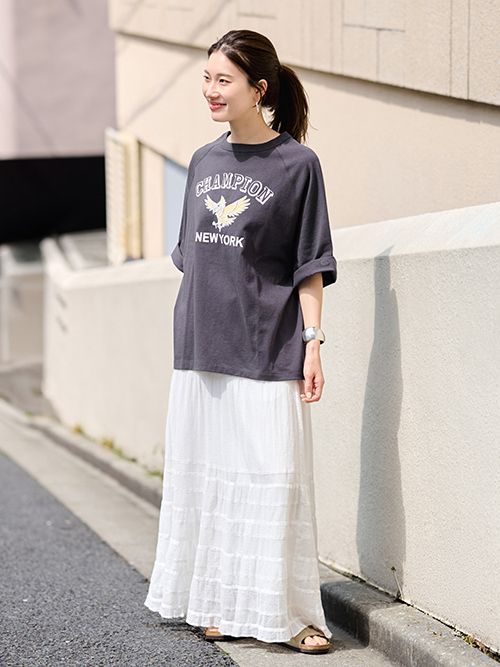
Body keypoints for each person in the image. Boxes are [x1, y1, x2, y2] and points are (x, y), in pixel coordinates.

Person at [144, 29, 337, 656]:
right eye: (206, 79)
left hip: (268, 345)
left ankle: (294, 616)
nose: (210, 90)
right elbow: (192, 257)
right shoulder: (202, 161)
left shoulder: (297, 165)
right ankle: (219, 604)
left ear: (259, 89)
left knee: (274, 483)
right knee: (213, 482)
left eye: (223, 80)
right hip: (201, 346)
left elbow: (309, 264)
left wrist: (313, 342)